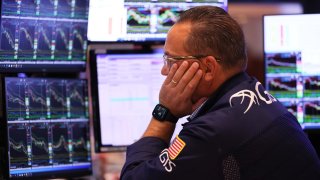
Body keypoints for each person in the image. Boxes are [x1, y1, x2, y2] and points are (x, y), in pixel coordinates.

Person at [120, 6, 320, 180]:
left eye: (171, 60)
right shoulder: (252, 93)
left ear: (208, 68)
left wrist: (164, 113)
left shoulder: (214, 131)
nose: (164, 71)